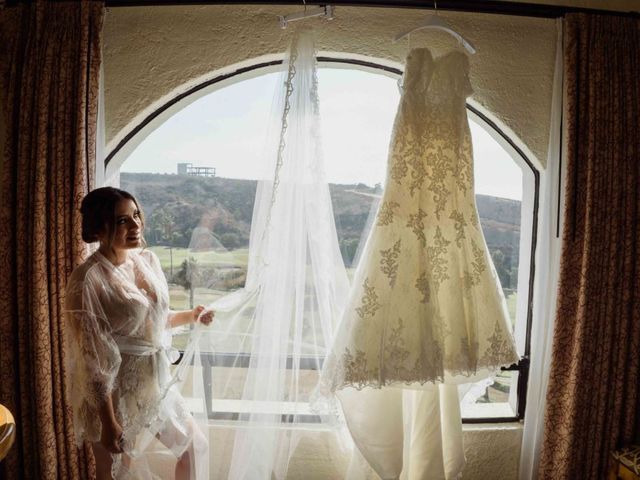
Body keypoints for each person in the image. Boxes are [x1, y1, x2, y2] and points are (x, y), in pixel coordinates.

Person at [64, 187, 213, 480]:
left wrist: (191, 316)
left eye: (135, 215)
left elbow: (151, 322)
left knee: (196, 448)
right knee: (117, 474)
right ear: (99, 227)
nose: (135, 226)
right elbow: (92, 359)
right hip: (113, 391)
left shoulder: (147, 260)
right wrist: (108, 422)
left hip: (153, 383)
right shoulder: (87, 280)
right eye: (122, 221)